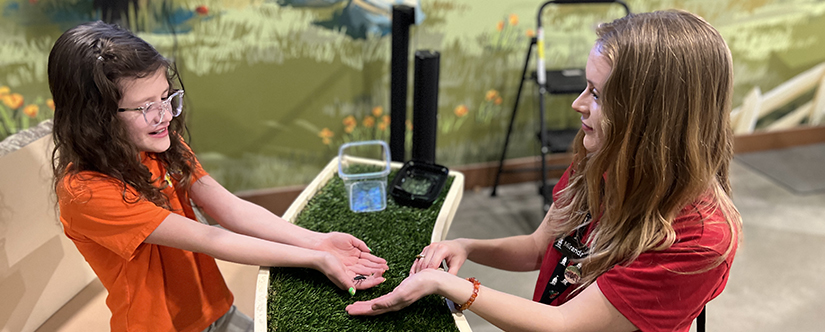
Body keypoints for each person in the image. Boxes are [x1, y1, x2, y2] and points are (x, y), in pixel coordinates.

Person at [347, 9, 742, 332]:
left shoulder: (700, 238)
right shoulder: (601, 155)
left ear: (652, 118)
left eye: (599, 95)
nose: (578, 104)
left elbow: (565, 325)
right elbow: (541, 248)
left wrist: (444, 283)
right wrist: (468, 246)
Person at [48, 21, 388, 332]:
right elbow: (211, 238)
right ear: (95, 116)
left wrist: (317, 240)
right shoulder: (85, 192)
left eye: (166, 97)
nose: (164, 114)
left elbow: (229, 207)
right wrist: (316, 258)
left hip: (215, 311)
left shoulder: (161, 145)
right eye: (145, 107)